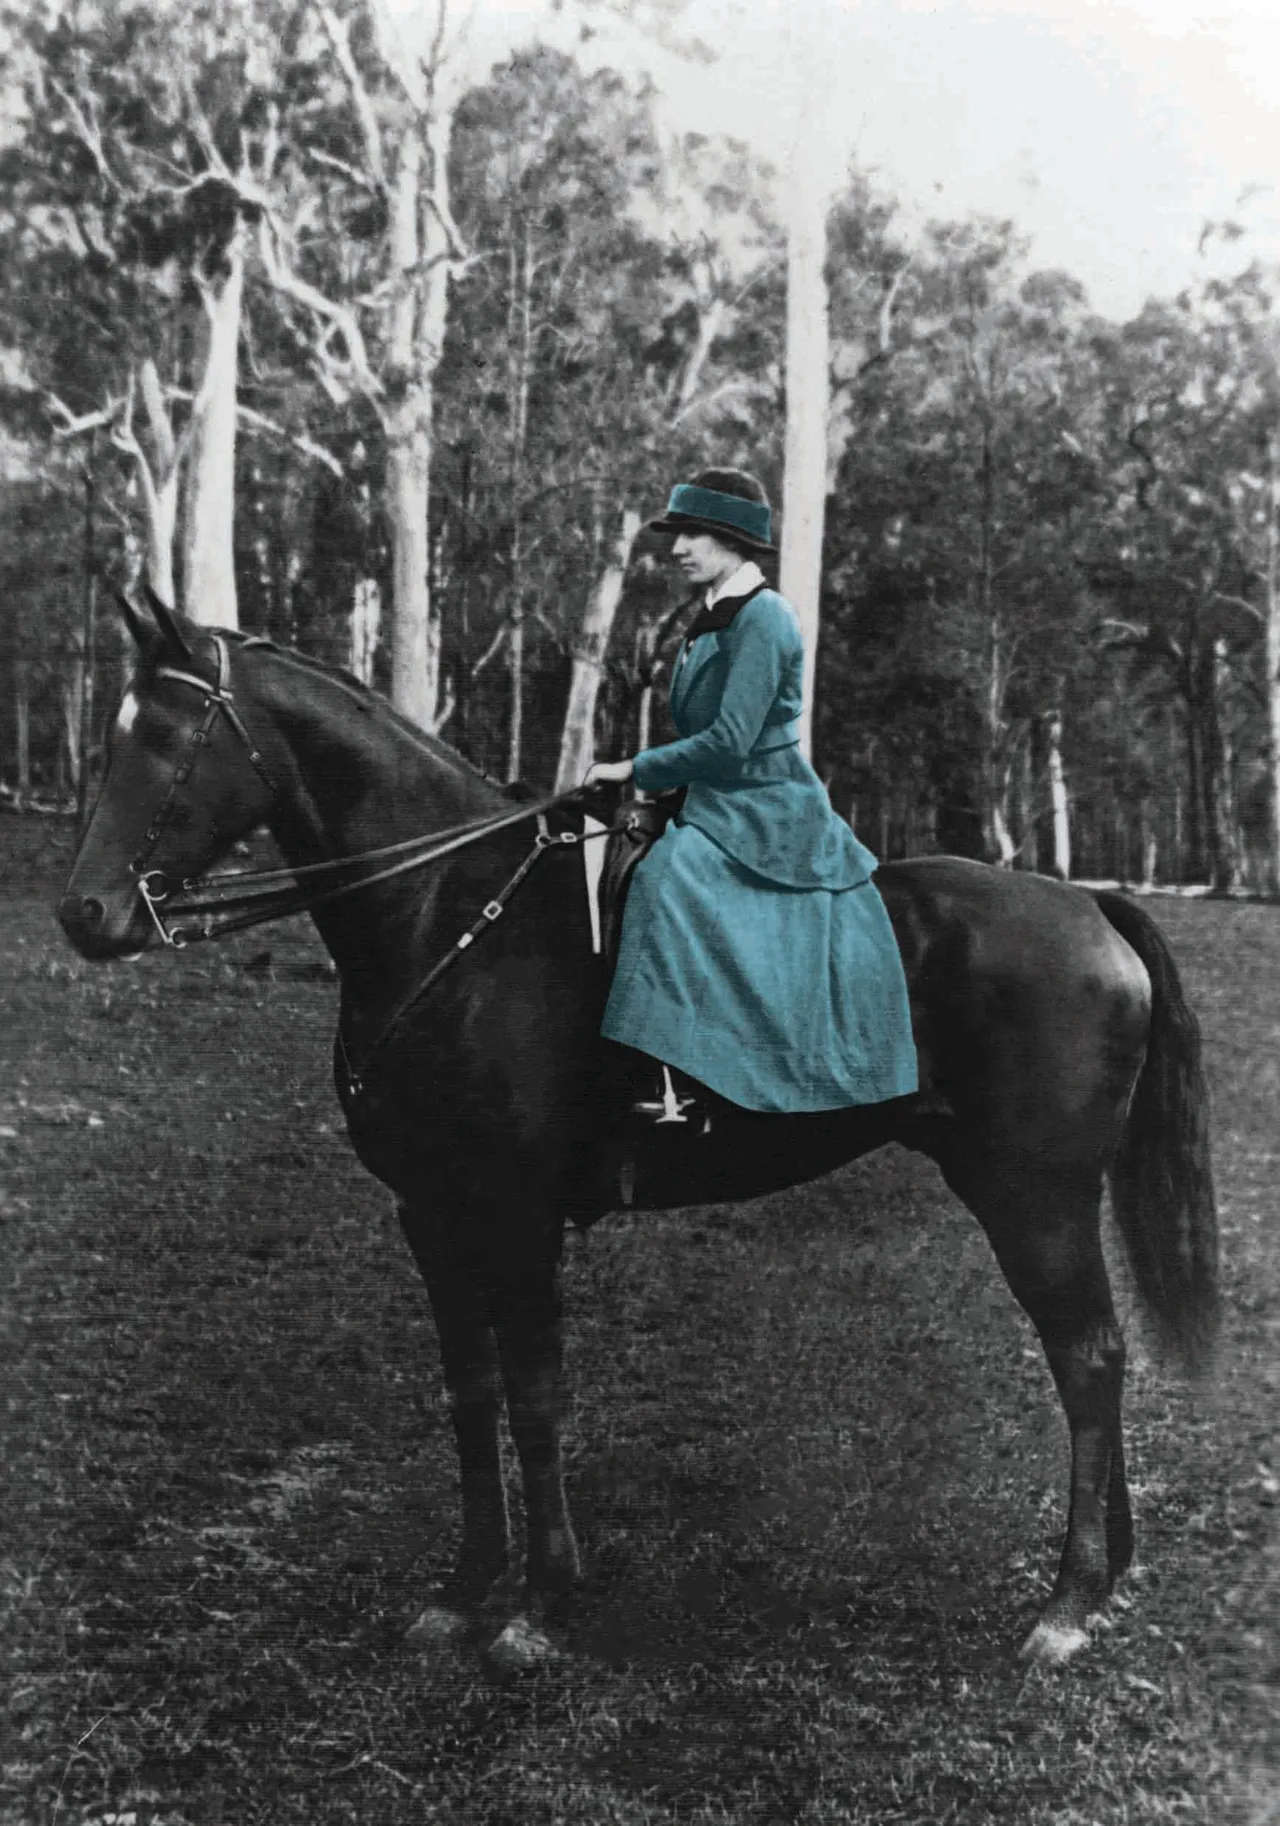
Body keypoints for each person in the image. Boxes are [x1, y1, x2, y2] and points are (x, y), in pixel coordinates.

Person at [584, 468, 918, 1117]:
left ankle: (679, 1079)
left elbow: (732, 740)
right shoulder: (712, 617)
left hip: (765, 802)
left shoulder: (763, 619)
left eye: (694, 533)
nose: (678, 546)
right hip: (718, 796)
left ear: (734, 540)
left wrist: (636, 768)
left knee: (667, 880)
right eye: (677, 533)